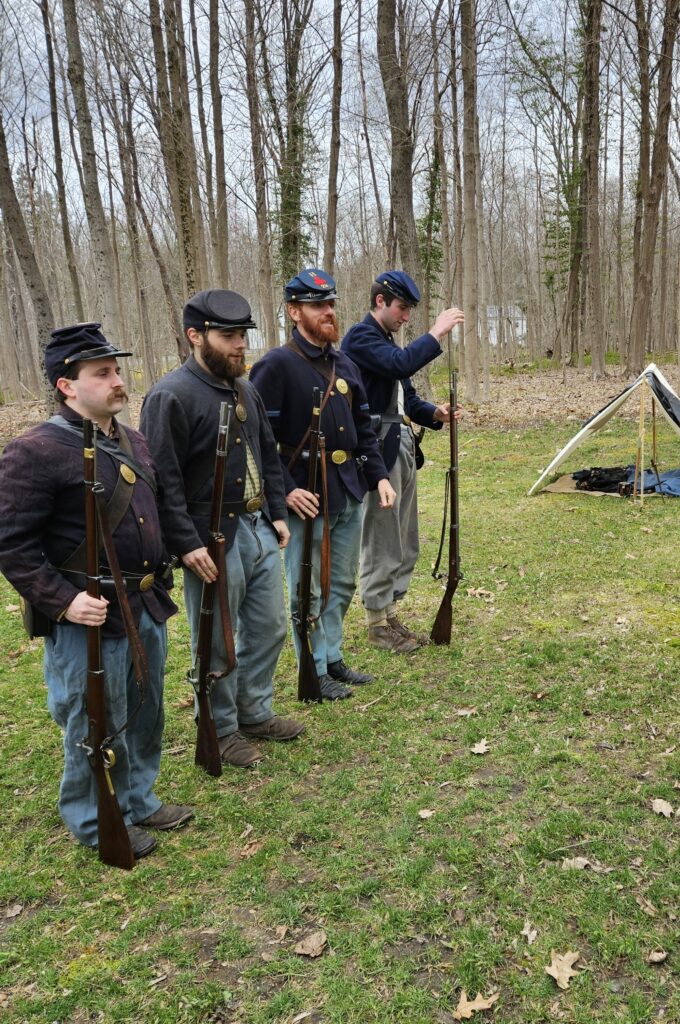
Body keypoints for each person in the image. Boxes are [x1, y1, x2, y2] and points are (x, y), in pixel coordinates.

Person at [0, 323, 191, 859]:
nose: (116, 381)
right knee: (93, 719)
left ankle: (138, 797)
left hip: (145, 602)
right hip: (90, 613)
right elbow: (11, 544)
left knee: (144, 710)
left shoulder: (133, 441)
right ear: (67, 386)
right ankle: (94, 819)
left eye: (116, 370)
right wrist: (62, 601)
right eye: (101, 373)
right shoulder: (33, 451)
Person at [140, 290, 304, 768]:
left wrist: (276, 510)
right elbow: (160, 480)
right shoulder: (169, 395)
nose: (239, 345)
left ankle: (254, 712)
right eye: (228, 336)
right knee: (217, 642)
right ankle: (222, 728)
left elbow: (266, 454)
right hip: (210, 538)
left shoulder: (245, 388)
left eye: (242, 335)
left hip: (257, 526)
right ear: (196, 336)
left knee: (271, 626)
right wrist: (185, 543)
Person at [250, 269, 396, 699]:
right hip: (305, 498)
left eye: (330, 304)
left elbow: (363, 431)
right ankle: (311, 672)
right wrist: (285, 491)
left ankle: (332, 658)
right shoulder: (275, 366)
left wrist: (379, 476)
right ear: (295, 312)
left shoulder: (344, 363)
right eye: (317, 305)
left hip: (348, 490)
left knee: (343, 583)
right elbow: (259, 441)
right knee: (308, 588)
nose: (328, 312)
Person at [341, 271, 464, 653]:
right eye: (401, 308)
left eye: (409, 310)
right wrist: (437, 332)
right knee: (382, 537)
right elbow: (400, 366)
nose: (405, 317)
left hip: (401, 444)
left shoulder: (386, 343)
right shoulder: (361, 338)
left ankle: (390, 610)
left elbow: (405, 398)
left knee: (404, 538)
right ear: (380, 301)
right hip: (376, 448)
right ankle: (376, 621)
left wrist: (435, 414)